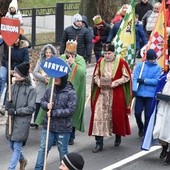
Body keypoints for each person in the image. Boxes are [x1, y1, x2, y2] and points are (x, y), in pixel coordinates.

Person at [88, 44, 132, 153]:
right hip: (102, 93)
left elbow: (126, 77)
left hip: (115, 93)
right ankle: (99, 143)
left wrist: (115, 83)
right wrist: (98, 82)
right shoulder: (100, 62)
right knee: (98, 117)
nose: (107, 56)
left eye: (109, 53)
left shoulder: (121, 62)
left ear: (113, 53)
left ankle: (118, 135)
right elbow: (95, 76)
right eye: (105, 53)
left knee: (116, 116)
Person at [35, 74, 77, 169]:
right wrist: (47, 105)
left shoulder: (71, 93)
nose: (55, 79)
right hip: (49, 126)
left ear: (63, 78)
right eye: (54, 77)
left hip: (63, 128)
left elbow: (70, 110)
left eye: (58, 77)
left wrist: (54, 113)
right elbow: (42, 101)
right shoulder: (50, 89)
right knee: (43, 149)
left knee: (63, 150)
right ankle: (38, 168)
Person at [5, 62, 36, 170]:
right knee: (11, 145)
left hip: (22, 122)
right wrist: (7, 106)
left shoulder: (31, 90)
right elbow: (7, 103)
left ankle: (11, 168)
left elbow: (31, 108)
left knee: (17, 147)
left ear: (22, 75)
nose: (14, 74)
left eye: (16, 73)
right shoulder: (12, 87)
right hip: (11, 121)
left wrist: (16, 111)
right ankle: (22, 159)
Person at [60, 40, 86, 145]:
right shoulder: (62, 57)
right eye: (68, 53)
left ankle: (71, 136)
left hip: (74, 90)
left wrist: (73, 64)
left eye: (71, 53)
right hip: (62, 90)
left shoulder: (80, 59)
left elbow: (82, 72)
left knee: (72, 113)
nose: (69, 55)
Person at [132, 49, 162, 137]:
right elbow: (135, 78)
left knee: (148, 115)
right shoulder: (140, 66)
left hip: (151, 95)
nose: (153, 61)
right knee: (137, 113)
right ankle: (140, 127)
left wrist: (144, 81)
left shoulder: (158, 68)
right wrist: (134, 89)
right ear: (147, 59)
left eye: (154, 59)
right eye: (151, 59)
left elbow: (156, 81)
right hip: (140, 94)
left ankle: (146, 133)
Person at [30, 44, 56, 128]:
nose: (48, 54)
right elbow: (35, 72)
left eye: (50, 52)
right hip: (41, 84)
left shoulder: (55, 62)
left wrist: (51, 79)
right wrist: (43, 78)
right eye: (46, 52)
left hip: (51, 85)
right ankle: (36, 120)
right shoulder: (41, 61)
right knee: (38, 102)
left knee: (49, 103)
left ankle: (48, 120)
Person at [152, 71, 170, 165]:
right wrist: (158, 94)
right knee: (158, 130)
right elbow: (158, 89)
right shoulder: (164, 76)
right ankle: (164, 148)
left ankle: (169, 155)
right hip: (162, 106)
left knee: (168, 133)